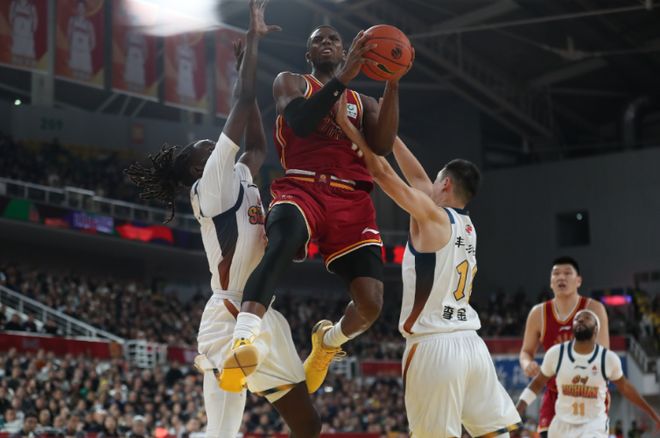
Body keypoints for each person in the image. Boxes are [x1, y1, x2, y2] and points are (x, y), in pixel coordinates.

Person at [125, 2, 320, 437]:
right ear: (198, 167)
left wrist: (243, 69)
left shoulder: (238, 175)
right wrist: (251, 45)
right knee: (224, 431)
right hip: (230, 310)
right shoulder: (210, 184)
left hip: (261, 308)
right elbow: (243, 101)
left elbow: (258, 147)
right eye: (205, 148)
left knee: (308, 424)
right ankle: (228, 366)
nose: (212, 144)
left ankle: (238, 365)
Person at [223, 23, 405, 395]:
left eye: (333, 40)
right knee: (282, 242)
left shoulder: (364, 103)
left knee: (371, 303)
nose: (326, 43)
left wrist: (393, 83)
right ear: (308, 54)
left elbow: (383, 146)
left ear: (345, 51)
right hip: (302, 186)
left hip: (352, 200)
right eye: (317, 40)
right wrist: (343, 78)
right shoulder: (291, 82)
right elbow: (302, 123)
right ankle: (243, 341)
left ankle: (329, 342)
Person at [335, 94, 521, 437]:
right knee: (495, 433)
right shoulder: (467, 225)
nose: (427, 184)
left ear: (445, 185)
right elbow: (418, 178)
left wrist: (348, 127)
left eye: (436, 181)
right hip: (472, 345)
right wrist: (390, 136)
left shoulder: (432, 218)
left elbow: (382, 173)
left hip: (435, 347)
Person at [516, 309, 660, 437]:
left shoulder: (608, 359)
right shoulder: (556, 354)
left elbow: (626, 388)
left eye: (586, 318)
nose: (580, 320)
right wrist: (518, 409)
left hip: (593, 425)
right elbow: (537, 383)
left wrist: (653, 414)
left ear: (596, 329)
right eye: (577, 319)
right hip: (561, 424)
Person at [519, 256, 610, 436]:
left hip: (588, 393)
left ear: (578, 281)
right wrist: (527, 364)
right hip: (555, 393)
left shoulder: (594, 309)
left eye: (567, 273)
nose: (561, 277)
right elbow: (526, 352)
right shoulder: (538, 313)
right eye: (556, 274)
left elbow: (603, 356)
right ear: (551, 282)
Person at [67, 0, 95, 76]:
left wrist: (85, 51)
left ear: (85, 9)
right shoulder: (72, 21)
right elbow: (69, 37)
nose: (80, 9)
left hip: (85, 55)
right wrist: (72, 50)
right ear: (76, 8)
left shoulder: (89, 24)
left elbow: (93, 42)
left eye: (82, 7)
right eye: (79, 7)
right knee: (74, 76)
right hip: (75, 52)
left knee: (85, 77)